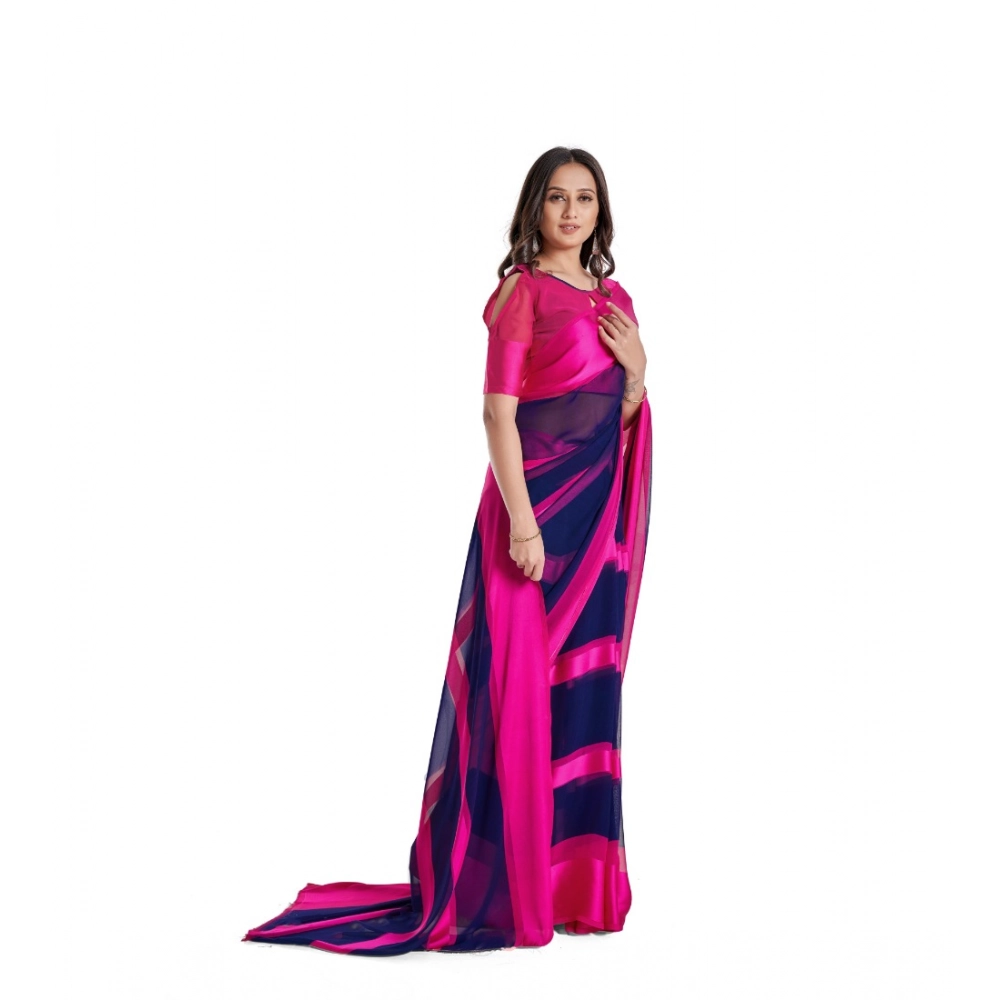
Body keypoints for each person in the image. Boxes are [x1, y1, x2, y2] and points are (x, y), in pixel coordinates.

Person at [242, 146, 653, 955]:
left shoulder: (617, 300)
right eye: (557, 198)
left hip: (596, 523)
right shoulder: (521, 293)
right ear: (535, 208)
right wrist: (523, 525)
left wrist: (638, 371)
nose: (572, 212)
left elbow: (622, 413)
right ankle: (505, 886)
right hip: (533, 519)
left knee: (585, 691)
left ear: (600, 211)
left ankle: (572, 884)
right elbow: (498, 414)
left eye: (585, 199)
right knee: (516, 692)